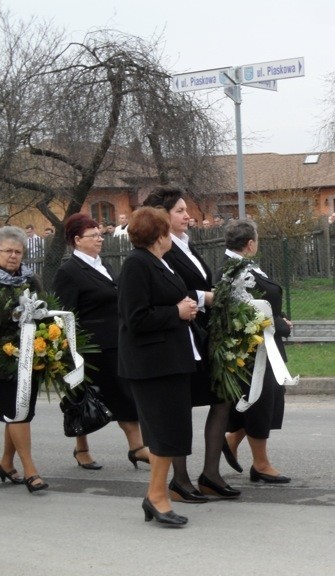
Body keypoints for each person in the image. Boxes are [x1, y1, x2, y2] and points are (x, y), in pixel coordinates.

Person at [143, 187, 239, 502]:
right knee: (180, 406)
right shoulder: (159, 250)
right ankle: (179, 480)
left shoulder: (185, 244)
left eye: (187, 210)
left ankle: (210, 473)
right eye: (180, 211)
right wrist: (208, 297)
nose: (188, 216)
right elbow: (173, 290)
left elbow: (198, 281)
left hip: (203, 332)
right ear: (162, 216)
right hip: (181, 333)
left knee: (222, 398)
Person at [117, 207, 198, 527]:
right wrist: (175, 313)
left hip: (170, 361)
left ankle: (156, 494)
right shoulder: (136, 265)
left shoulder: (157, 262)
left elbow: (167, 301)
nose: (171, 237)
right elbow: (134, 319)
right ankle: (157, 496)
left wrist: (186, 306)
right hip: (151, 366)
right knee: (164, 433)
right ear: (158, 236)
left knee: (172, 431)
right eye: (167, 231)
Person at [52, 214, 150, 471]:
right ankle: (82, 448)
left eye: (100, 235)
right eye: (92, 236)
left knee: (124, 395)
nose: (99, 240)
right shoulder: (69, 271)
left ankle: (137, 447)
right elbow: (65, 313)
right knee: (82, 399)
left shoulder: (103, 265)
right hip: (89, 349)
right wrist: (70, 352)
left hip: (116, 343)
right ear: (76, 240)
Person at [218, 220, 294, 484]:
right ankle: (260, 464)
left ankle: (229, 441)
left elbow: (260, 303)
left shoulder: (243, 265)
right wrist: (281, 324)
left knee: (263, 399)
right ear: (250, 244)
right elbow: (248, 311)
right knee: (260, 401)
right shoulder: (236, 270)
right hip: (255, 350)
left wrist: (279, 318)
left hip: (266, 344)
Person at [0, 226, 48, 492]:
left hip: (31, 351)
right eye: (8, 251)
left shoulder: (31, 279)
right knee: (16, 412)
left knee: (20, 412)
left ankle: (6, 463)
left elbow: (43, 305)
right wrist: (15, 314)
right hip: (3, 357)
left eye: (18, 251)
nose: (13, 256)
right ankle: (30, 470)